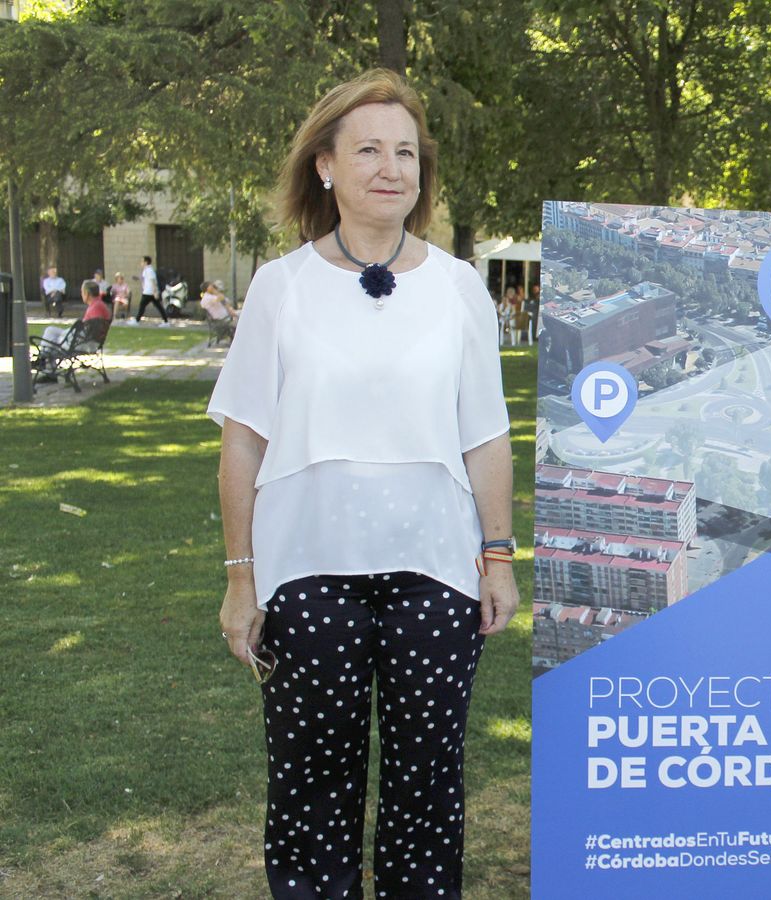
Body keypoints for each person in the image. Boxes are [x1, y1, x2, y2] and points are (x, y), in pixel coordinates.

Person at [209, 68, 517, 898]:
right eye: (370, 149)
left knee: (428, 789)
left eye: (407, 153)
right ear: (325, 166)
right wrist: (242, 580)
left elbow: (486, 436)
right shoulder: (281, 287)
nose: (392, 168)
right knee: (311, 788)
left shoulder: (458, 287)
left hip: (436, 574)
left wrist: (498, 558)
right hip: (307, 571)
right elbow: (242, 443)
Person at [136, 255, 169, 324]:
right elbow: (145, 280)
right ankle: (166, 321)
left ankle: (137, 320)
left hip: (149, 292)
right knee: (158, 307)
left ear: (146, 262)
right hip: (148, 292)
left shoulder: (149, 270)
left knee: (142, 306)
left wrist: (155, 292)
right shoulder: (146, 270)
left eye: (142, 261)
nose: (141, 263)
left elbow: (153, 281)